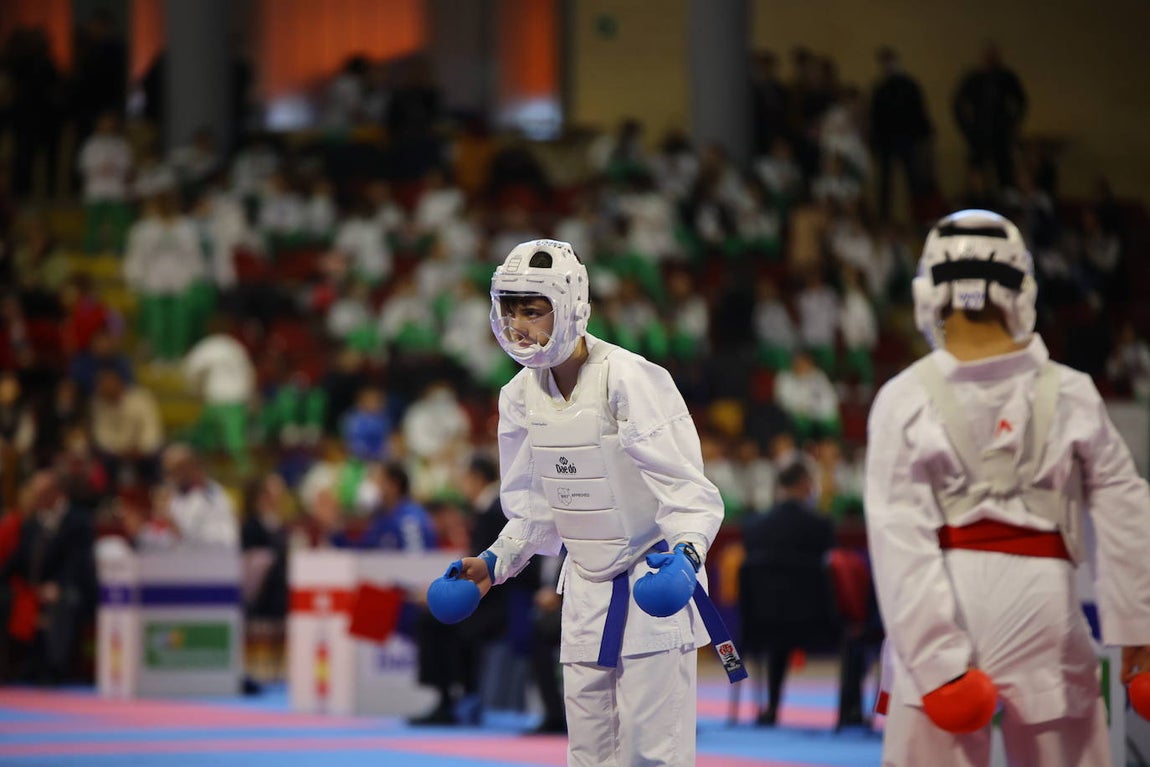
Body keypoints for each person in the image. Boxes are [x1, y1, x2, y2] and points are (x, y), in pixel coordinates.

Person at [432, 239, 739, 767]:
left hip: (653, 583)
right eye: (510, 312)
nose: (520, 326)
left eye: (533, 311)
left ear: (571, 307)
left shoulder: (630, 378)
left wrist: (687, 557)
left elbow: (691, 493)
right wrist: (492, 564)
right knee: (588, 757)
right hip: (584, 593)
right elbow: (531, 513)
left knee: (652, 756)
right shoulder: (517, 396)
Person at [865, 209, 1150, 766]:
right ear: (1022, 286)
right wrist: (1139, 629)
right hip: (1046, 608)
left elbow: (900, 543)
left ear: (931, 289)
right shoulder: (1073, 392)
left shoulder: (902, 398)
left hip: (944, 597)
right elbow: (1127, 512)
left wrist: (936, 659)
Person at [739, 461, 837, 725]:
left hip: (762, 622)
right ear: (806, 483)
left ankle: (770, 707)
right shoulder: (821, 525)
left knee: (778, 639)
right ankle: (851, 713)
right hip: (817, 621)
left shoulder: (754, 527)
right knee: (855, 634)